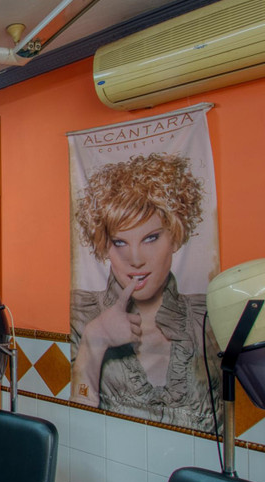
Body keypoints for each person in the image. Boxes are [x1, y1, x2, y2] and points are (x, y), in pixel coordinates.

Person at [69, 153, 220, 432]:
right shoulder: (83, 314)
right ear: (104, 247)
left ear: (175, 236)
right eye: (120, 242)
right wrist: (95, 338)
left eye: (151, 238)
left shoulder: (208, 317)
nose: (136, 259)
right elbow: (79, 424)